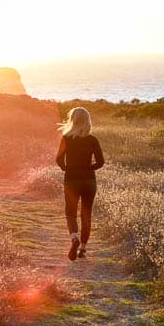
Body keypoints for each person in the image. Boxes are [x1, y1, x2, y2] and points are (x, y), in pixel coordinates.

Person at [55, 107, 104, 261]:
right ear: (87, 121)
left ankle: (74, 238)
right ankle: (82, 249)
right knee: (86, 214)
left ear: (72, 120)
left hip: (71, 180)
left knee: (70, 213)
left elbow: (58, 160)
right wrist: (89, 168)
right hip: (89, 181)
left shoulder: (66, 138)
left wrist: (67, 169)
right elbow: (101, 162)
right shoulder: (92, 139)